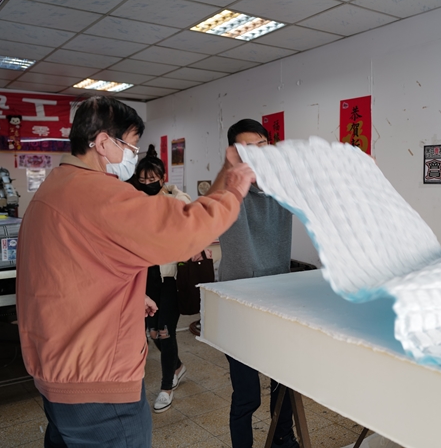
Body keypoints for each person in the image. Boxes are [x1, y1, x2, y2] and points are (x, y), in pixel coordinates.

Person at [16, 96, 254, 448]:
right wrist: (234, 185)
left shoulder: (54, 189)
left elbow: (65, 271)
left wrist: (125, 296)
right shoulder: (99, 193)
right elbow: (184, 232)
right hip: (98, 384)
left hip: (56, 370)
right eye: (129, 146)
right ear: (102, 142)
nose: (132, 155)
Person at [211, 119, 298, 448]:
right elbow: (208, 204)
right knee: (247, 395)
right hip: (238, 309)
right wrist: (229, 167)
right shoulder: (231, 191)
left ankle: (283, 440)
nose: (257, 154)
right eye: (247, 149)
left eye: (262, 146)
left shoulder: (283, 189)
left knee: (284, 387)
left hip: (277, 304)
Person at [130, 144, 198, 413]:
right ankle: (178, 367)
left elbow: (187, 213)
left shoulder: (175, 199)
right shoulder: (135, 202)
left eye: (152, 179)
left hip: (168, 278)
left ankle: (166, 387)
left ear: (162, 178)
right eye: (142, 179)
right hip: (144, 278)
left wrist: (170, 192)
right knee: (152, 332)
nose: (147, 184)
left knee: (165, 333)